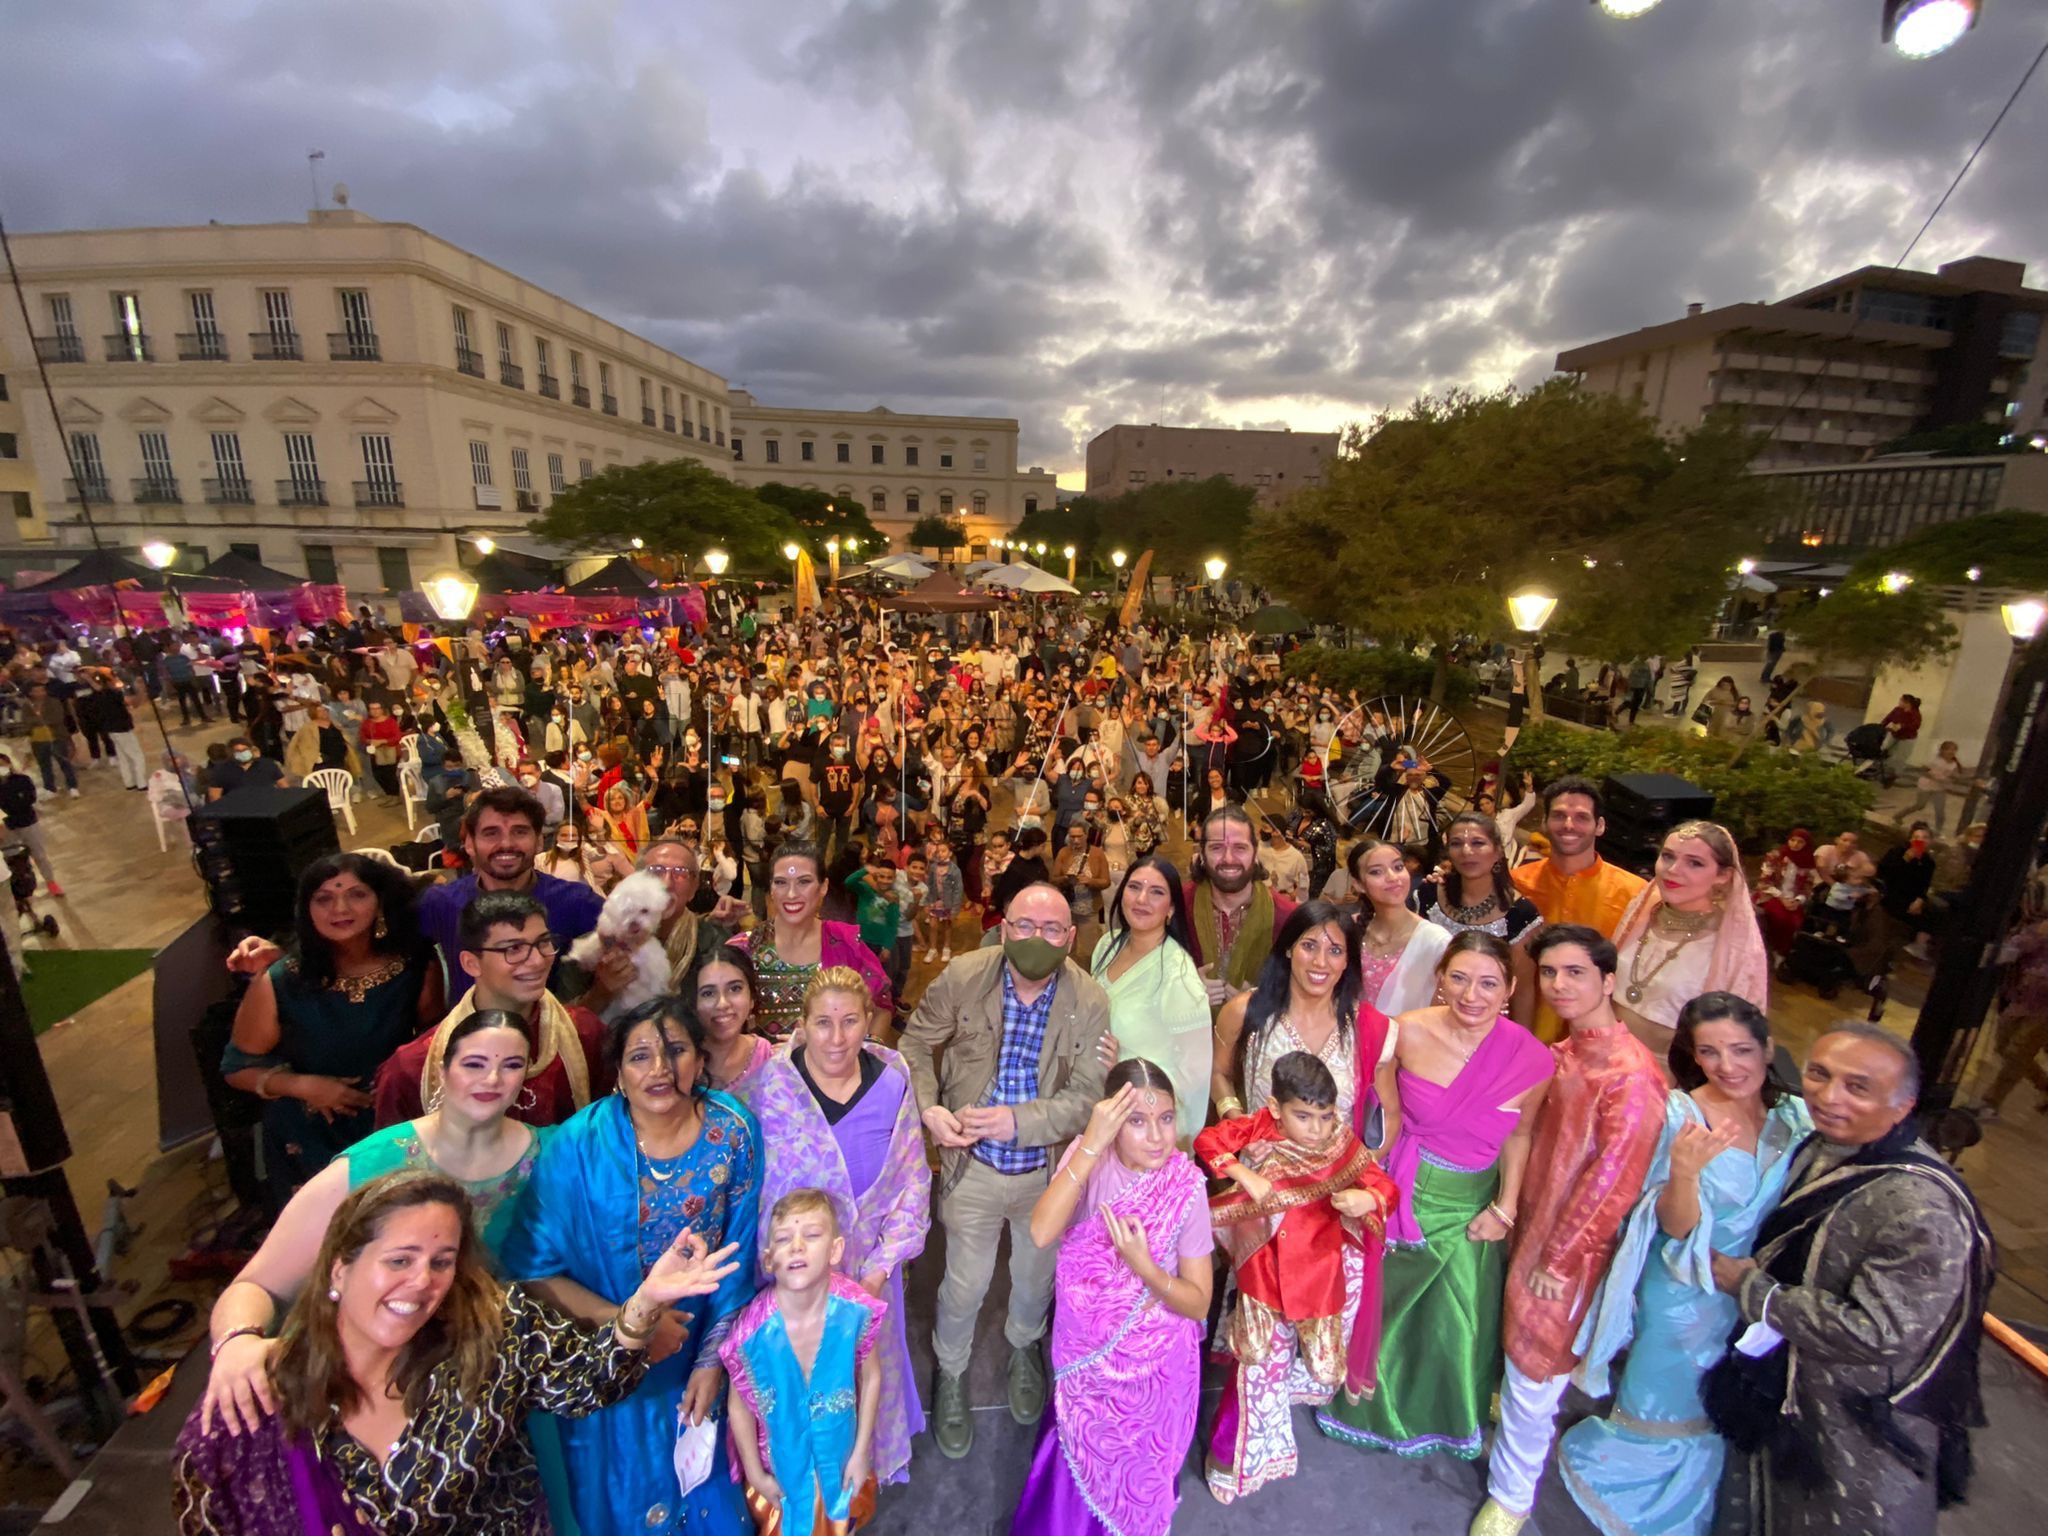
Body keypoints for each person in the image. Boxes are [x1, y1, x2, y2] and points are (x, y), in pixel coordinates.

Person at [174, 1168, 740, 1536]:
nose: (422, 1281)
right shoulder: (248, 1407)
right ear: (340, 1270)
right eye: (399, 1260)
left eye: (441, 1262)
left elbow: (589, 1381)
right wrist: (235, 1338)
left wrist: (644, 1303)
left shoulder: (493, 1334)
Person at [201, 1008, 554, 1430]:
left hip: (491, 1389)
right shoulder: (371, 1165)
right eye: (474, 1064)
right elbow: (256, 1284)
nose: (492, 1079)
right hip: (363, 1392)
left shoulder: (553, 1158)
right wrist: (237, 1341)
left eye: (511, 1065)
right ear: (442, 1071)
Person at [1704, 1026, 1995, 1536]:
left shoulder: (1920, 1207)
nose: (1828, 1096)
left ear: (1902, 1106)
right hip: (1790, 1392)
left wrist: (1753, 1291)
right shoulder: (1821, 1144)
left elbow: (1878, 1333)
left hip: (1860, 1425)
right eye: (1819, 1074)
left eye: (1857, 1087)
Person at [501, 995, 762, 1536]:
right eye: (640, 1056)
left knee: (707, 1493)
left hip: (702, 1348)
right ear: (618, 1074)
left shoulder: (734, 1130)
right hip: (611, 1358)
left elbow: (738, 1257)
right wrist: (635, 1324)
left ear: (700, 1060)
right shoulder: (579, 1147)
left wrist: (712, 1362)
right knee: (625, 1505)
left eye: (676, 1050)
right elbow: (531, 1269)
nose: (660, 1069)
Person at [1558, 993, 1813, 1536]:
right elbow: (1671, 1227)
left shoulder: (1795, 1118)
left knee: (1726, 1399)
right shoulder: (1679, 1114)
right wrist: (1685, 1172)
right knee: (1667, 1401)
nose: (1727, 1066)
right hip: (1682, 1291)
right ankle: (1642, 1499)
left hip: (1754, 1291)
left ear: (1768, 1049)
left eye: (1741, 1050)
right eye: (1710, 1052)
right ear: (1693, 1057)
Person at [1318, 932, 1554, 1459]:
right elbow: (1375, 1112)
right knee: (1387, 1311)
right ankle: (1367, 1409)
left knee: (1457, 1320)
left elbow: (1520, 1136)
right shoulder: (1405, 1032)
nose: (1472, 995)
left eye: (1488, 983)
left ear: (1511, 989)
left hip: (1473, 1206)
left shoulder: (1533, 1060)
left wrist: (1506, 1208)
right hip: (1401, 1190)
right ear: (1440, 979)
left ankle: (1445, 1419)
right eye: (1459, 978)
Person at [898, 882, 1111, 1460]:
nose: (1035, 939)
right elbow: (915, 1045)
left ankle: (1023, 1347)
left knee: (1036, 1277)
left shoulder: (1088, 1000)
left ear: (1070, 937)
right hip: (972, 1167)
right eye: (1024, 926)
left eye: (1051, 929)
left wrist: (1018, 1122)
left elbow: (1086, 1097)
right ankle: (951, 1370)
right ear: (1003, 927)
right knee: (963, 1285)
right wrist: (929, 1109)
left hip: (1045, 1174)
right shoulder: (965, 975)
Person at [1470, 926, 1666, 1536]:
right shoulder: (1567, 1050)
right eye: (1549, 972)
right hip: (1527, 1219)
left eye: (1575, 972)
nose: (1558, 985)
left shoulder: (1630, 1076)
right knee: (1515, 1354)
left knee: (1539, 1368)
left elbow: (1612, 1183)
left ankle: (1512, 1497)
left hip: (1567, 1249)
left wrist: (1560, 1260)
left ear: (1608, 980)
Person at [1011, 1061, 1213, 1536]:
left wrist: (1146, 1270)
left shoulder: (1185, 1186)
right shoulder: (1089, 1160)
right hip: (1090, 1370)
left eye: (1166, 1118)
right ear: (1111, 1121)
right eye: (1137, 1121)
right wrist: (1091, 1142)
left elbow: (1199, 1303)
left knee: (1139, 1476)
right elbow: (1041, 1231)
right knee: (1078, 1468)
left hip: (1157, 1374)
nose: (1157, 1137)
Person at [747, 969, 930, 1489]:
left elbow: (913, 1181)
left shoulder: (892, 1080)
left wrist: (873, 1275)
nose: (836, 1037)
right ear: (802, 1026)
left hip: (870, 1271)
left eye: (850, 1021)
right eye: (823, 1023)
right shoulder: (772, 1087)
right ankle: (800, 1488)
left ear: (869, 1022)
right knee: (799, 1391)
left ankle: (859, 1479)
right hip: (793, 1280)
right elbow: (755, 1189)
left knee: (865, 1379)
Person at [1198, 1051, 1398, 1503]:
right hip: (1264, 1274)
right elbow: (1209, 1141)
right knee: (1255, 1368)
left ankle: (1271, 1445)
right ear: (1275, 1107)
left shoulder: (1340, 1142)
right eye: (1303, 1117)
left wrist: (1368, 1201)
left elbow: (1384, 1185)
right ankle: (1228, 1462)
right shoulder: (1260, 1128)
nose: (1316, 1130)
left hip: (1319, 1275)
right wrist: (1243, 1173)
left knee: (1314, 1369)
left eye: (1325, 1117)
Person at [222, 853, 442, 1203]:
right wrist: (307, 1086)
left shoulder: (415, 965)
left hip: (392, 1126)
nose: (340, 908)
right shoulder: (281, 980)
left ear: (380, 902)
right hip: (310, 1134)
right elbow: (236, 1068)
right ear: (307, 910)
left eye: (357, 894)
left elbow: (433, 1044)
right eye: (324, 899)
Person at [722, 1189, 886, 1534]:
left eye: (811, 1235)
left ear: (835, 1250)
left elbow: (871, 1377)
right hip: (784, 1474)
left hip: (839, 1460)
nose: (796, 1246)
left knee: (842, 1522)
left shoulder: (855, 1312)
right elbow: (739, 1406)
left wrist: (861, 1453)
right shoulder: (750, 1336)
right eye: (783, 1239)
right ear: (768, 1260)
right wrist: (755, 1474)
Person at [369, 892, 605, 1129]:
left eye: (543, 942)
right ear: (471, 963)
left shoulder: (586, 1034)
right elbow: (396, 1150)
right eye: (514, 948)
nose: (537, 961)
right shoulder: (413, 1068)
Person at [1214, 898, 1396, 1147]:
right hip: (1260, 1167)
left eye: (1335, 951)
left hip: (1339, 1169)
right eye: (1309, 946)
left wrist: (1361, 1166)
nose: (1320, 962)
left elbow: (1390, 1115)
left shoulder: (1369, 1028)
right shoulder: (1245, 1011)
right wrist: (1238, 1123)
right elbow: (1219, 1073)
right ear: (1289, 949)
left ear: (1347, 961)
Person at [415, 788, 604, 1002]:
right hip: (465, 1021)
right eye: (491, 833)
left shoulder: (576, 902)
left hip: (550, 1021)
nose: (506, 844)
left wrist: (599, 996)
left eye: (520, 832)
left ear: (539, 841)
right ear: (469, 844)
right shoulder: (441, 903)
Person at [1609, 821, 1769, 1059]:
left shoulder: (1733, 947)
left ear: (1723, 875)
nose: (1673, 869)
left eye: (1694, 863)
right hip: (1605, 1056)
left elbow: (1738, 1035)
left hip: (1670, 1072)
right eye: (1667, 856)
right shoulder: (1639, 915)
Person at [1511, 776, 1648, 1041]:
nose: (1569, 825)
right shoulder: (1516, 883)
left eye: (1581, 817)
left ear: (1600, 826)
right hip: (1522, 1033)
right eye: (1559, 815)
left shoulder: (1634, 893)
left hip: (1598, 1041)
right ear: (1544, 822)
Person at [1090, 856, 1213, 1143]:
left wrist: (1122, 1067)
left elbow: (1194, 1076)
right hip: (1099, 1107)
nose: (1142, 899)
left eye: (1156, 892)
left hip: (1145, 1126)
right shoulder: (1107, 945)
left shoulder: (1176, 973)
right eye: (1134, 887)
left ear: (1171, 908)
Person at [734, 840, 894, 1040]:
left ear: (823, 887)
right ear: (771, 889)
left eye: (804, 882)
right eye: (781, 882)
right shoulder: (746, 948)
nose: (791, 894)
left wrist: (859, 1053)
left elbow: (881, 1009)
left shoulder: (846, 945)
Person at [1419, 811, 1543, 1023]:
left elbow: (1522, 991)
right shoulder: (1428, 894)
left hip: (1483, 1026)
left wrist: (1521, 1040)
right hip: (1423, 1019)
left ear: (1497, 851)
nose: (1466, 851)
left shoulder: (1520, 914)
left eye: (1478, 843)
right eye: (1457, 843)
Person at [1186, 804, 1298, 1011]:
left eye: (1240, 848)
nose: (1228, 859)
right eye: (1216, 848)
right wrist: (1184, 989)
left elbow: (1303, 993)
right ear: (1202, 854)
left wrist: (1261, 1000)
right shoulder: (1178, 906)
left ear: (1255, 853)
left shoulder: (1288, 918)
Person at [1350, 835, 1454, 1016]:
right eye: (1376, 872)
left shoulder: (1436, 941)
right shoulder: (1350, 928)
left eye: (1398, 867)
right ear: (1359, 884)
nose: (1392, 877)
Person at [690, 944, 778, 1100]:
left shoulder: (768, 1058)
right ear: (693, 1003)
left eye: (735, 989)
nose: (722, 1004)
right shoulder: (682, 1061)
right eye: (708, 993)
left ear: (752, 998)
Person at [0, 751, 62, 896]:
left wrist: (11, 806)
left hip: (28, 822)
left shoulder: (22, 780)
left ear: (8, 764)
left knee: (39, 855)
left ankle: (51, 882)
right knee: (11, 858)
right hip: (7, 826)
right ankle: (19, 887)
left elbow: (29, 799)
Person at [1754, 827, 1819, 955]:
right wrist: (1782, 898)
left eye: (1800, 842)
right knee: (1781, 919)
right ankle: (1771, 949)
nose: (1795, 844)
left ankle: (1782, 952)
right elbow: (1764, 882)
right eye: (1792, 840)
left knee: (1796, 921)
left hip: (1793, 899)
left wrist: (1798, 900)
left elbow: (1808, 886)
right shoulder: (1776, 856)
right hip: (1772, 895)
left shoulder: (1808, 862)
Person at [205, 734, 287, 801]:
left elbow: (284, 787)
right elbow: (214, 797)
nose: (243, 753)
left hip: (268, 807)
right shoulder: (221, 770)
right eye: (238, 751)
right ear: (231, 753)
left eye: (245, 750)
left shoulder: (267, 764)